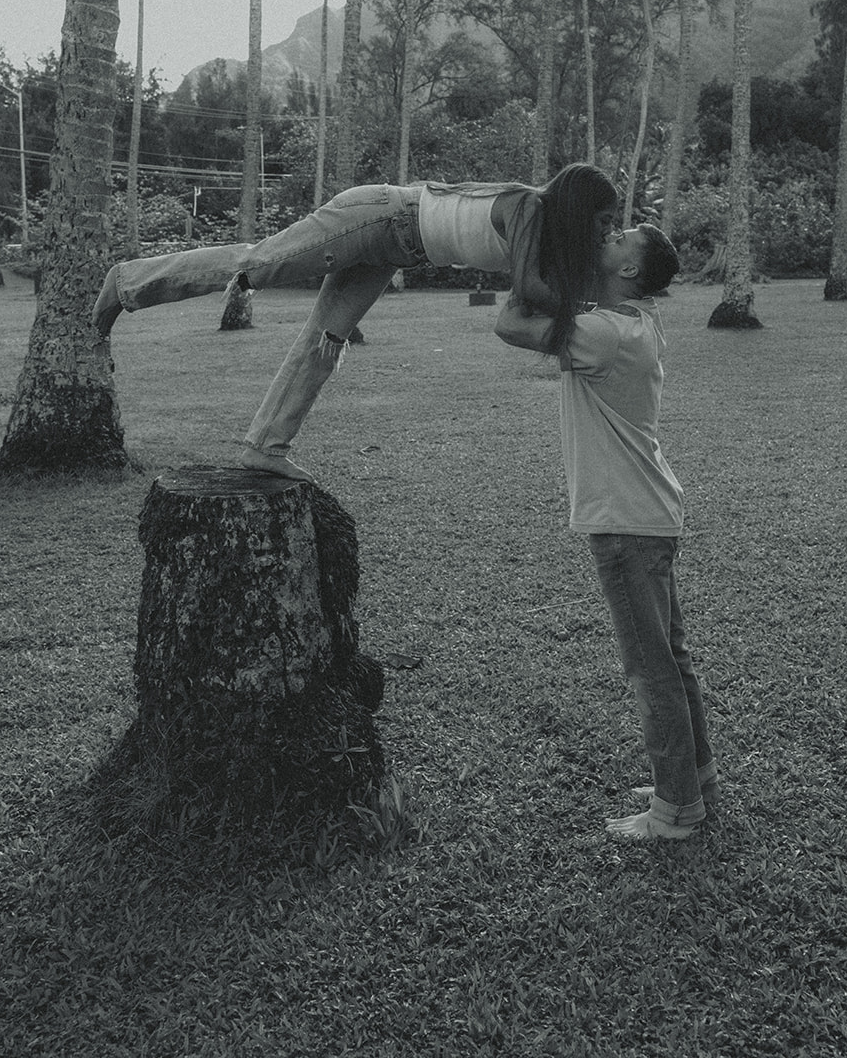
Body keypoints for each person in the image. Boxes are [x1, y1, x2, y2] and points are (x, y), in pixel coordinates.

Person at [93, 165, 618, 479]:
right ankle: (127, 281)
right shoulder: (530, 207)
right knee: (258, 265)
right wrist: (589, 303)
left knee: (327, 339)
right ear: (577, 207)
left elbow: (539, 295)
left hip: (396, 249)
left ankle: (265, 446)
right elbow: (527, 291)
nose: (605, 231)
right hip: (378, 216)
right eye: (602, 221)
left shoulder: (546, 237)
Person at [495, 222, 717, 842]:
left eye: (621, 238)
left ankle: (676, 809)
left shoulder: (605, 333)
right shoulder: (629, 323)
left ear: (628, 271)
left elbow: (510, 323)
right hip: (648, 514)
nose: (608, 235)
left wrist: (530, 244)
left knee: (650, 667)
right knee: (671, 659)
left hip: (625, 522)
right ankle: (697, 776)